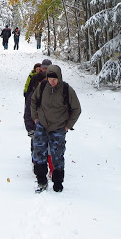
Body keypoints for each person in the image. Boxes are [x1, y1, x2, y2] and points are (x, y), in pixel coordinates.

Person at [30, 63, 81, 193]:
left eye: (54, 79)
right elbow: (33, 101)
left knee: (57, 155)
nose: (52, 82)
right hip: (42, 125)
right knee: (39, 152)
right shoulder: (42, 87)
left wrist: (68, 126)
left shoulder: (66, 89)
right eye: (49, 79)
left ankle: (58, 183)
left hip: (58, 127)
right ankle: (41, 181)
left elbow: (77, 109)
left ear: (59, 77)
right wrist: (35, 118)